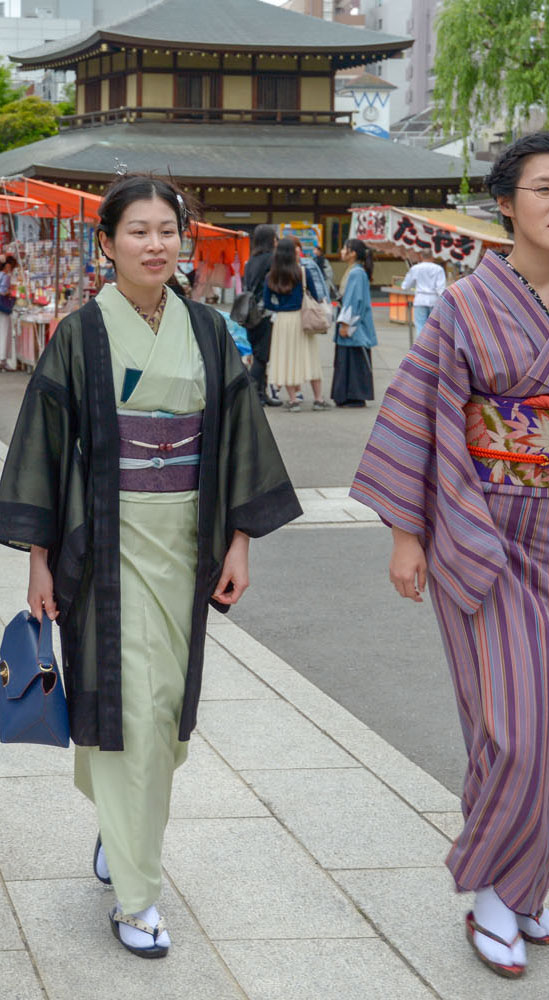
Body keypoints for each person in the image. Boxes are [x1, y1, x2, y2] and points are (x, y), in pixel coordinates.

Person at [350, 132, 549, 978]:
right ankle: (493, 891)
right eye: (544, 189)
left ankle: (524, 884)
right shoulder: (463, 307)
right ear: (506, 203)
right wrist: (409, 537)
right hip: (480, 533)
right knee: (511, 727)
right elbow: (420, 416)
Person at [0, 174, 301, 959]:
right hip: (102, 544)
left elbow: (238, 437)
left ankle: (115, 823)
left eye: (167, 230)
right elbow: (43, 446)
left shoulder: (207, 331)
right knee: (131, 706)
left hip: (186, 543)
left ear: (183, 239)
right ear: (107, 244)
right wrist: (38, 560)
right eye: (137, 230)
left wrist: (240, 540)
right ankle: (137, 896)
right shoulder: (79, 332)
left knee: (162, 715)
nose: (155, 243)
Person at [264, 236, 330, 412]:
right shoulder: (303, 272)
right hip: (302, 319)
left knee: (287, 360)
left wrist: (280, 306)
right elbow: (315, 296)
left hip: (282, 321)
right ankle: (318, 399)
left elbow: (267, 303)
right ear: (293, 253)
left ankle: (293, 401)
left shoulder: (271, 275)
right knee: (310, 357)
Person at [331, 238, 377, 408]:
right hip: (354, 320)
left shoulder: (356, 273)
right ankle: (351, 394)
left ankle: (353, 395)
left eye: (345, 248)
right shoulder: (356, 270)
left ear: (353, 253)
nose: (342, 251)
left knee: (351, 357)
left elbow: (353, 300)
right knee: (351, 358)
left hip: (353, 322)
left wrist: (345, 323)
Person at [243, 224, 282, 406]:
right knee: (262, 355)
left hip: (250, 312)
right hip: (264, 312)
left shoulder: (252, 261)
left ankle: (261, 393)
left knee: (259, 352)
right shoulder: (271, 260)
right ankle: (251, 394)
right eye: (275, 238)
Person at [400, 249, 447, 336]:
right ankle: (433, 348)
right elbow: (441, 288)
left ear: (421, 256)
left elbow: (405, 285)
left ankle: (420, 348)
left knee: (420, 326)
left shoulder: (415, 268)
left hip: (420, 299)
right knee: (434, 327)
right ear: (433, 257)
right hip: (434, 300)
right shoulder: (438, 269)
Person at [0, 254, 17, 371]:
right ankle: (2, 359)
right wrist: (9, 293)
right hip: (3, 307)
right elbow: (2, 291)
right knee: (5, 332)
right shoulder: (5, 276)